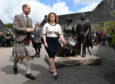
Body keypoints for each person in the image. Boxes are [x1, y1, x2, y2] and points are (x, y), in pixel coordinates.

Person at [12, 4, 36, 80]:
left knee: (29, 56)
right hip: (19, 40)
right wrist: (26, 30)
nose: (30, 10)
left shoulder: (30, 19)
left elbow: (30, 29)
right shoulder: (17, 16)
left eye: (30, 8)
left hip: (28, 40)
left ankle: (28, 73)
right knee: (18, 56)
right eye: (29, 8)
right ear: (24, 9)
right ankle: (15, 66)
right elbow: (15, 27)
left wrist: (32, 30)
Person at [42, 12, 66, 79]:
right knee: (51, 55)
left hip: (55, 42)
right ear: (49, 18)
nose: (51, 17)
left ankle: (51, 68)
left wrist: (63, 41)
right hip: (48, 42)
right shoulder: (46, 25)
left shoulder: (58, 26)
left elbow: (60, 34)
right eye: (50, 16)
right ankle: (54, 71)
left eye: (53, 16)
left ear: (55, 17)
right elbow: (44, 34)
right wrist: (45, 42)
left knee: (53, 56)